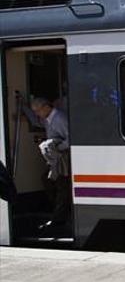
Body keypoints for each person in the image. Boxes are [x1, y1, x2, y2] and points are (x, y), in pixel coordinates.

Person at [19, 95, 71, 232]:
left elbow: (71, 138)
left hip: (63, 158)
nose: (37, 114)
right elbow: (36, 122)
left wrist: (57, 147)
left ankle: (59, 218)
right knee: (50, 181)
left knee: (60, 185)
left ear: (46, 107)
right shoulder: (48, 119)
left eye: (38, 111)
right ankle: (60, 212)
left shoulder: (59, 118)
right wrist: (23, 106)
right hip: (57, 159)